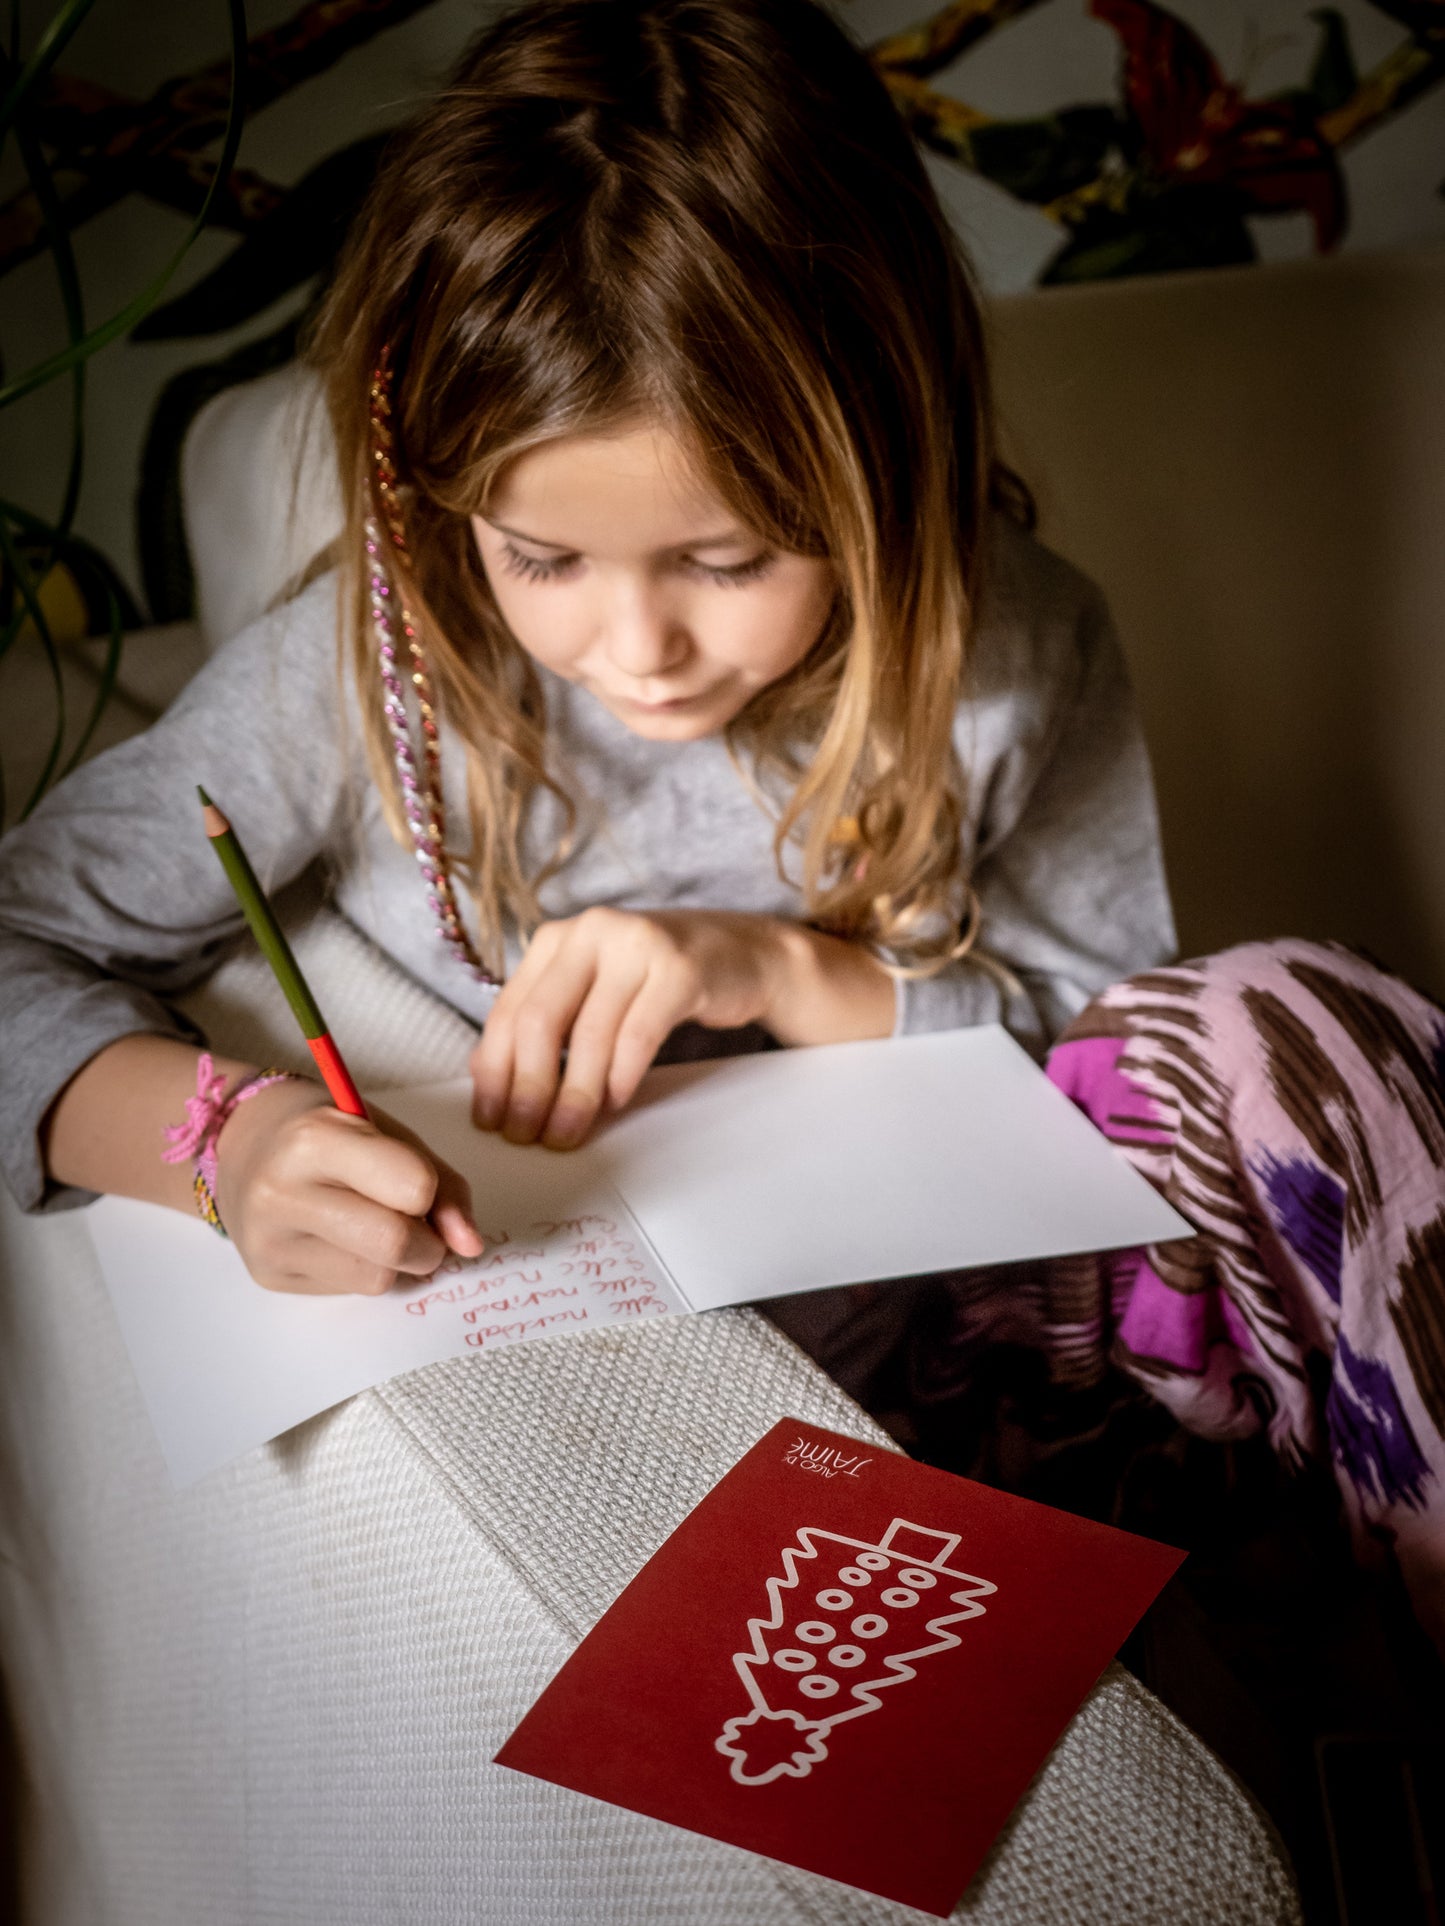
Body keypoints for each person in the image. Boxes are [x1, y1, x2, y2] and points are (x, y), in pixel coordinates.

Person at [0, 0, 1439, 1648]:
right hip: (668, 1405)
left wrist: (775, 969)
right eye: (541, 557)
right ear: (424, 477)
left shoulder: (1014, 644)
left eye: (729, 557)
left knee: (1301, 1018)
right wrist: (225, 1143)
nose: (638, 648)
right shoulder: (352, 681)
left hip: (1023, 1352)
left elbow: (1094, 1058)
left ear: (886, 447)